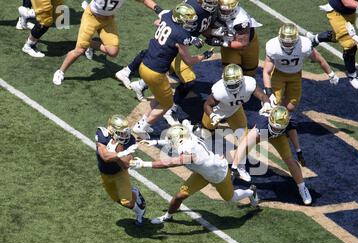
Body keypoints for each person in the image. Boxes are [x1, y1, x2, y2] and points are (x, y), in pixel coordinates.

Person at [130, 123, 259, 224]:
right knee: (180, 196)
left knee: (230, 198)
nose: (171, 142)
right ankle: (168, 216)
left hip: (218, 175)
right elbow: (174, 140)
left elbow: (168, 163)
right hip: (202, 172)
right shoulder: (188, 136)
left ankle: (251, 192)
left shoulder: (189, 152)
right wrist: (155, 142)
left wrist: (143, 164)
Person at [116, 0, 218, 125]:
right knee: (174, 94)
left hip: (146, 65)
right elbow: (189, 60)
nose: (191, 24)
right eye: (189, 21)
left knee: (161, 84)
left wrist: (189, 37)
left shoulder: (169, 18)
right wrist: (204, 55)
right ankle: (164, 113)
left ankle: (140, 85)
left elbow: (158, 22)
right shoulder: (182, 34)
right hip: (161, 65)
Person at [262, 23, 339, 166]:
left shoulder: (304, 45)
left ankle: (283, 123)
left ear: (296, 39)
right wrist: (268, 91)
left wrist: (331, 73)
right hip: (278, 75)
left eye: (289, 42)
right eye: (284, 41)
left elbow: (319, 59)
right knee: (274, 103)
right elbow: (266, 71)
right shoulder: (273, 47)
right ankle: (271, 129)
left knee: (291, 107)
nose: (287, 44)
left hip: (295, 75)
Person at [52, 0, 161, 85]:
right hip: (91, 17)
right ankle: (60, 71)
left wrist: (158, 10)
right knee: (80, 49)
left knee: (113, 52)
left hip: (108, 20)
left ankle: (89, 42)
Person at [203, 63, 272, 181]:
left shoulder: (249, 84)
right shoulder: (219, 90)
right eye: (231, 84)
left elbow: (262, 95)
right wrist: (212, 115)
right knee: (206, 135)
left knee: (244, 140)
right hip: (218, 112)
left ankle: (241, 167)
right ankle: (204, 159)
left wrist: (266, 103)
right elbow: (207, 105)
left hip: (235, 111)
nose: (233, 86)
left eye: (236, 83)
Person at [231, 106, 312, 205]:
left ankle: (302, 188)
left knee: (289, 160)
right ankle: (224, 163)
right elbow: (244, 145)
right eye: (274, 127)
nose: (276, 129)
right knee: (244, 148)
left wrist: (299, 151)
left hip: (279, 137)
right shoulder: (262, 125)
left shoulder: (289, 123)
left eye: (279, 128)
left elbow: (292, 132)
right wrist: (234, 167)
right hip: (263, 132)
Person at [96, 115, 146, 225]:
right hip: (104, 173)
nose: (124, 135)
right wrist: (121, 154)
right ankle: (135, 194)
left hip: (119, 173)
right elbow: (105, 157)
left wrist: (118, 150)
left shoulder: (129, 139)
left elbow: (126, 164)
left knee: (126, 202)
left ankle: (139, 210)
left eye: (125, 132)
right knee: (116, 199)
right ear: (111, 129)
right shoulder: (102, 134)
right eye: (120, 132)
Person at [306, 0, 358, 90]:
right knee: (349, 43)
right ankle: (352, 77)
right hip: (337, 11)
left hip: (349, 11)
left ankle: (314, 39)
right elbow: (346, 2)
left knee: (338, 36)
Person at [205, 0, 262, 77]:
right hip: (229, 46)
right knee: (231, 74)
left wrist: (221, 42)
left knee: (249, 72)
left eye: (228, 11)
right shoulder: (212, 12)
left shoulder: (241, 20)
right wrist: (213, 32)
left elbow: (242, 43)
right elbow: (204, 29)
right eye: (223, 10)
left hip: (247, 44)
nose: (225, 13)